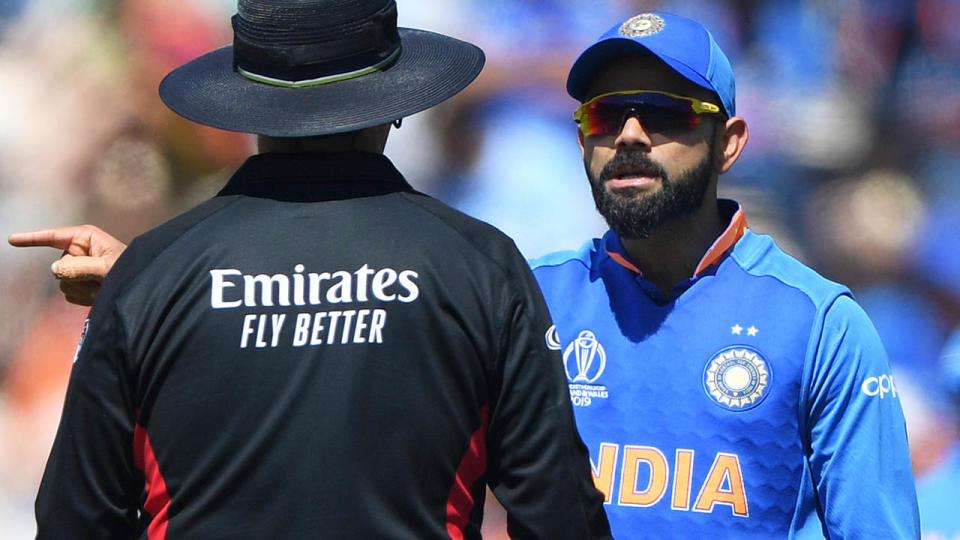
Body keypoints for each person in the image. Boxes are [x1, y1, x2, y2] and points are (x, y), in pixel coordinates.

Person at [10, 9, 921, 540]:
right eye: (606, 115)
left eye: (662, 112)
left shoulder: (819, 325)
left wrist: (158, 286)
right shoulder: (501, 279)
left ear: (729, 140)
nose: (631, 136)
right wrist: (155, 284)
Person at [10, 1, 611, 538]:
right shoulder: (480, 265)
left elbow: (74, 520)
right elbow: (558, 514)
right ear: (394, 104)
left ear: (245, 104)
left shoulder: (149, 276)